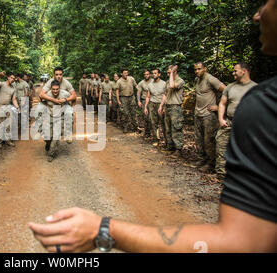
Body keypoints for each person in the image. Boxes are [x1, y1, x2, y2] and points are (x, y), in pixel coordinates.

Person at [28, 1, 277, 253]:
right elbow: (250, 237)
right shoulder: (263, 101)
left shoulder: (261, 102)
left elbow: (243, 241)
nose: (257, 15)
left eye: (268, 3)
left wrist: (103, 230)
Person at [215, 62, 257, 179]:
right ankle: (221, 175)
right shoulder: (230, 87)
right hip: (229, 122)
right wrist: (221, 119)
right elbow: (222, 104)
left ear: (244, 71)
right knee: (221, 146)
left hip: (246, 124)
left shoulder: (255, 88)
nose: (233, 72)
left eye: (235, 71)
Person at [193, 62, 226, 173]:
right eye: (195, 69)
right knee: (199, 139)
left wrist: (219, 106)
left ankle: (211, 164)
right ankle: (202, 159)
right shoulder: (197, 80)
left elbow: (226, 91)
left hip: (208, 115)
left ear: (205, 69)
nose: (197, 71)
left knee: (209, 140)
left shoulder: (211, 79)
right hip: (198, 114)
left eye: (199, 69)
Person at [159, 65, 186, 158]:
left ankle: (178, 149)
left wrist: (171, 74)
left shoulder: (180, 81)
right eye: (167, 73)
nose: (167, 74)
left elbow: (172, 86)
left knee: (176, 128)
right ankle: (170, 147)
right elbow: (165, 94)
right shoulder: (167, 81)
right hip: (168, 106)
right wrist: (161, 106)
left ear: (175, 72)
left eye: (169, 73)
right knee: (168, 128)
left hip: (175, 107)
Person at [44, 80, 71, 162]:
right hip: (49, 117)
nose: (55, 91)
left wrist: (66, 101)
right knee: (48, 137)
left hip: (60, 117)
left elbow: (73, 99)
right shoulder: (47, 95)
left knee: (55, 138)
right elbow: (41, 102)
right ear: (51, 89)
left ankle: (51, 154)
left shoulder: (65, 94)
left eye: (57, 89)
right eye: (53, 89)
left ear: (59, 88)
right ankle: (48, 143)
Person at [0, 71, 20, 148]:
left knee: (9, 124)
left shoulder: (13, 89)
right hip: (0, 106)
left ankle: (8, 140)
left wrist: (17, 107)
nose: (12, 79)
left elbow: (14, 99)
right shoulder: (2, 84)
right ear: (8, 77)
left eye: (14, 78)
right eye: (11, 77)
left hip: (8, 106)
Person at [144, 69, 166, 146]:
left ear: (159, 74)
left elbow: (165, 95)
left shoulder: (163, 83)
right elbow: (148, 96)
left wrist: (163, 106)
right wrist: (146, 107)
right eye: (153, 73)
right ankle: (155, 139)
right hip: (152, 104)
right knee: (153, 122)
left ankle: (167, 141)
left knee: (163, 123)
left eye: (155, 73)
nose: (154, 75)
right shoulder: (150, 84)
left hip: (161, 104)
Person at [116, 68, 138, 133]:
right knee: (125, 113)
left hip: (131, 97)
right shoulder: (119, 81)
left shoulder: (131, 78)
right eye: (125, 73)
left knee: (133, 112)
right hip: (123, 98)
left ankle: (135, 127)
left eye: (127, 73)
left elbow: (136, 86)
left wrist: (140, 90)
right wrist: (118, 101)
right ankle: (125, 127)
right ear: (121, 74)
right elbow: (117, 92)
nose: (126, 74)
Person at [136, 70, 152, 137]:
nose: (146, 75)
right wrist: (138, 101)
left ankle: (154, 132)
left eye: (147, 74)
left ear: (150, 75)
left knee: (152, 117)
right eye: (145, 74)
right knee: (146, 117)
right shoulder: (141, 83)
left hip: (152, 101)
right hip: (144, 100)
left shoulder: (153, 81)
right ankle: (147, 132)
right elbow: (139, 92)